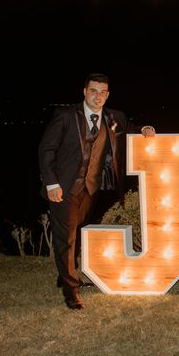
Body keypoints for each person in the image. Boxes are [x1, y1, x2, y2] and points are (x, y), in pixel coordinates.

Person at [39, 73, 155, 310]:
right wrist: (51, 184)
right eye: (93, 90)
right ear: (84, 91)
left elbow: (129, 128)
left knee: (76, 231)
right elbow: (46, 149)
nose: (98, 96)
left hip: (90, 188)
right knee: (66, 239)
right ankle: (71, 291)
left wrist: (145, 128)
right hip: (63, 188)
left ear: (108, 94)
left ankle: (64, 275)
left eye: (103, 92)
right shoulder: (65, 116)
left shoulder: (114, 117)